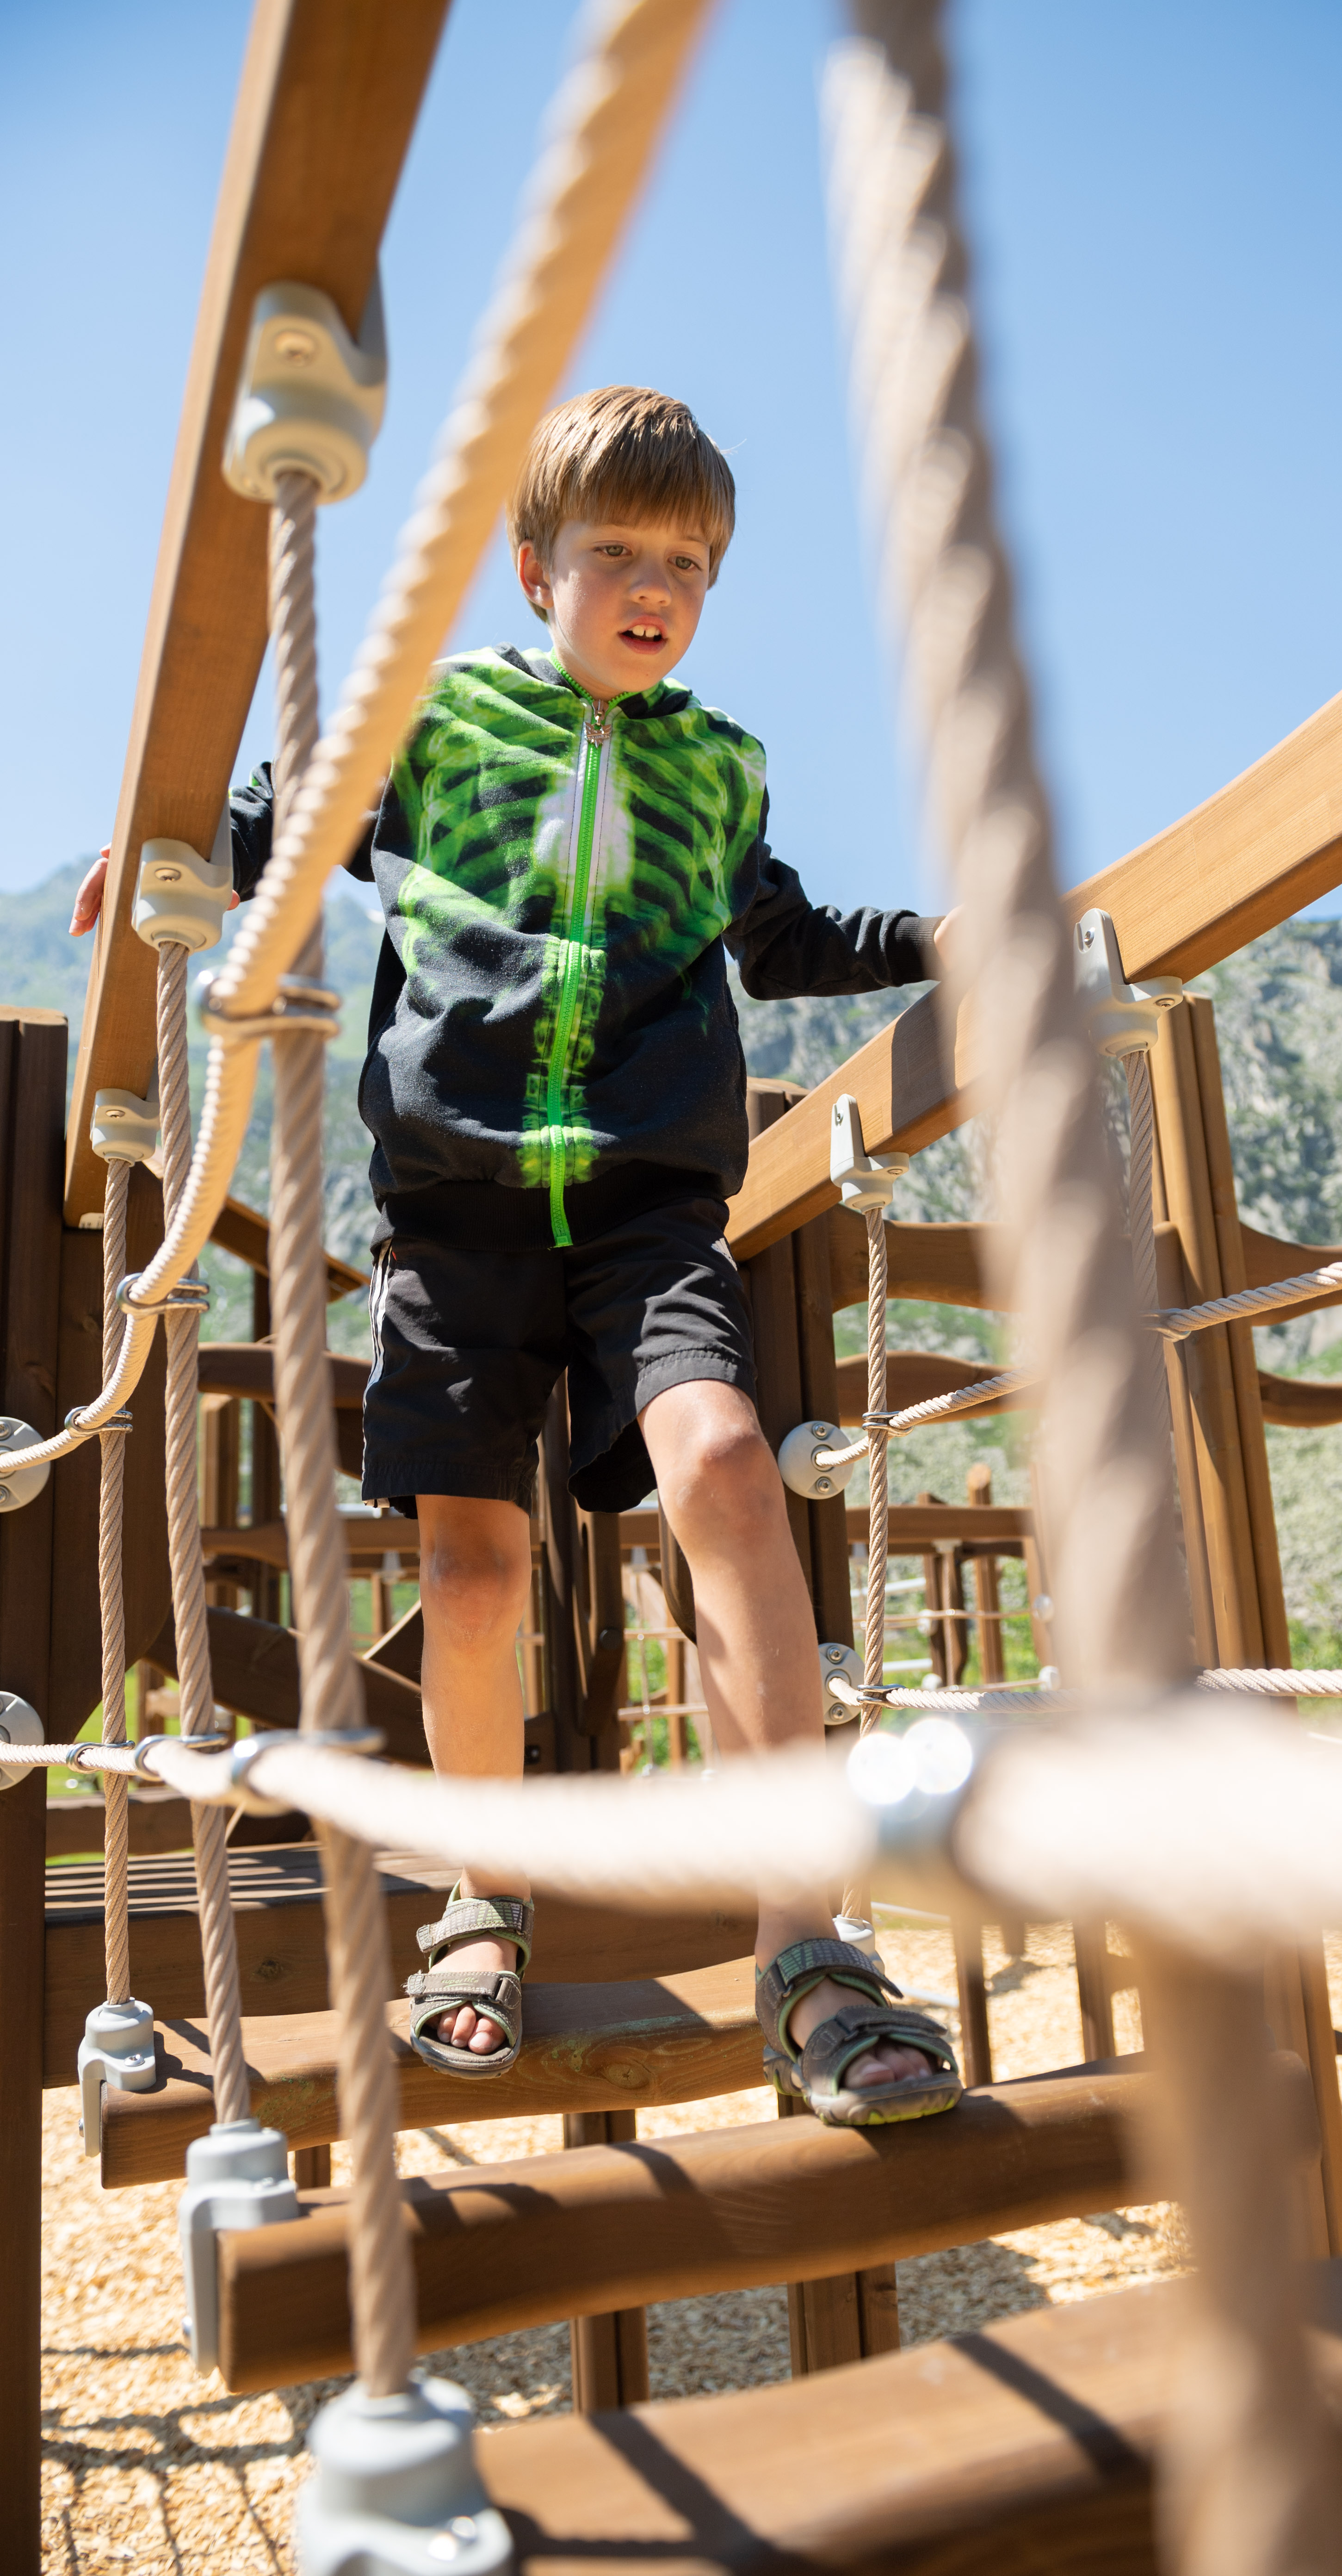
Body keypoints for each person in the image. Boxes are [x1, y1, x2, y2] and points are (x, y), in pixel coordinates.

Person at [72, 384, 961, 2128]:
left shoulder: (717, 767)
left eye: (688, 562)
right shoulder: (441, 723)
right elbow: (289, 822)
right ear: (533, 563)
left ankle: (809, 1942)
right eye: (617, 551)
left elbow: (777, 941)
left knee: (723, 1465)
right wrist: (175, 850)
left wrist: (950, 934)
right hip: (458, 1209)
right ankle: (479, 1909)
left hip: (649, 1206)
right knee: (473, 1576)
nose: (652, 585)